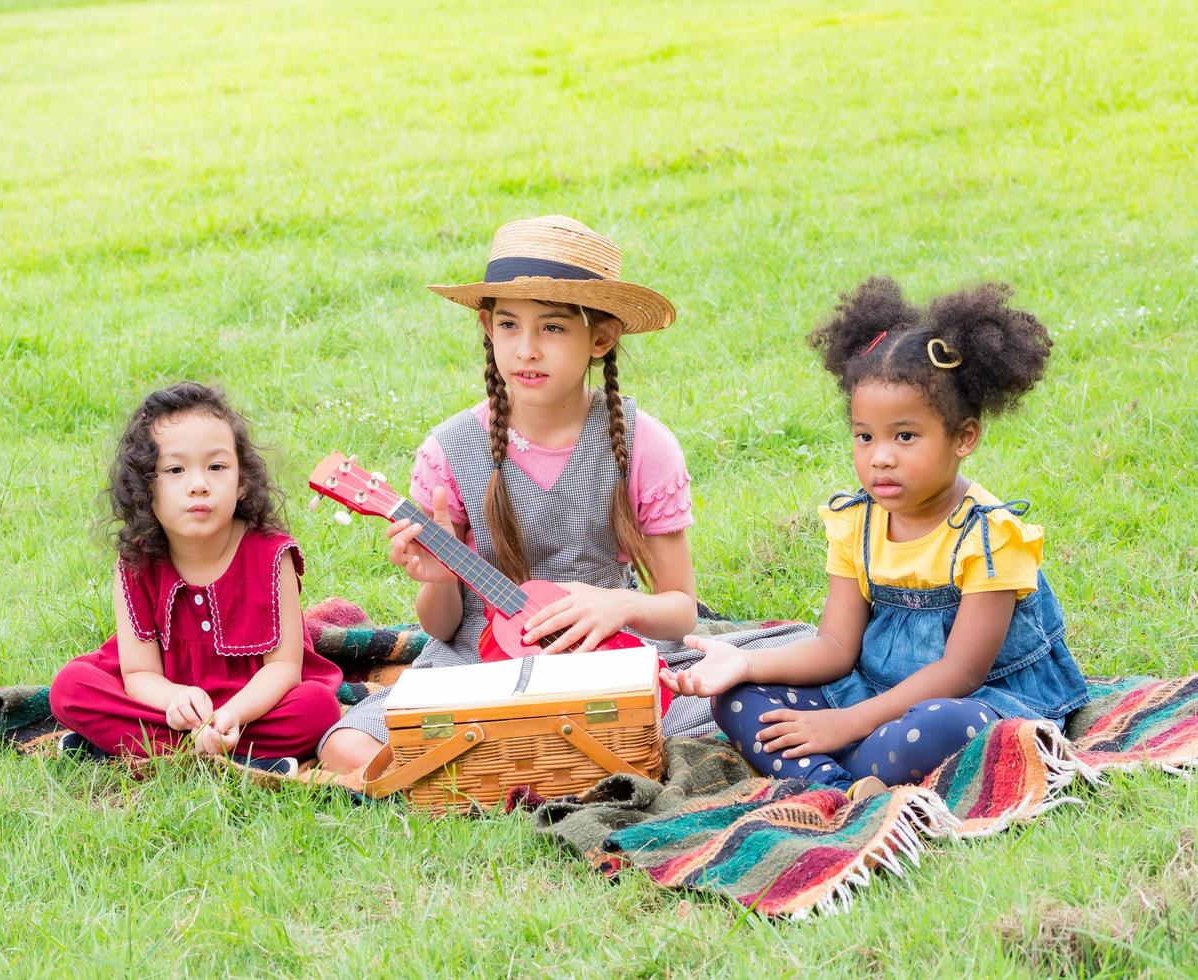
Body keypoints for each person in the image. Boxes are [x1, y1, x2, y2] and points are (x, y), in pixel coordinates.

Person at [317, 215, 782, 773]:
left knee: (762, 699)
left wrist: (620, 606)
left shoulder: (644, 445)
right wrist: (439, 581)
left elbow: (680, 611)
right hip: (478, 661)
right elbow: (440, 627)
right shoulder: (449, 450)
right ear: (488, 326)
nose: (527, 349)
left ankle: (506, 761)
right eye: (509, 325)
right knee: (347, 746)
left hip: (607, 657)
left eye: (553, 328)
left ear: (601, 337)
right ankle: (543, 756)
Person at [663, 277, 1087, 798]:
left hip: (974, 699)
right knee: (736, 698)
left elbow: (960, 672)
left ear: (964, 437)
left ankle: (830, 773)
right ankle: (849, 784)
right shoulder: (857, 523)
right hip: (870, 694)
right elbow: (836, 647)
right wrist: (745, 662)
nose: (880, 456)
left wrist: (847, 724)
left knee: (945, 730)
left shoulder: (991, 536)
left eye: (904, 436)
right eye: (865, 436)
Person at [50, 382, 342, 776]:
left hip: (254, 705)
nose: (199, 483)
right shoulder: (136, 562)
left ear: (241, 482)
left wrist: (233, 715)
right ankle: (232, 758)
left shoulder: (272, 555)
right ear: (145, 487)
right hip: (168, 705)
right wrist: (175, 698)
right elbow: (138, 673)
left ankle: (159, 749)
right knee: (71, 688)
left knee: (317, 708)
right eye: (175, 470)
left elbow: (284, 668)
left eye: (217, 467)